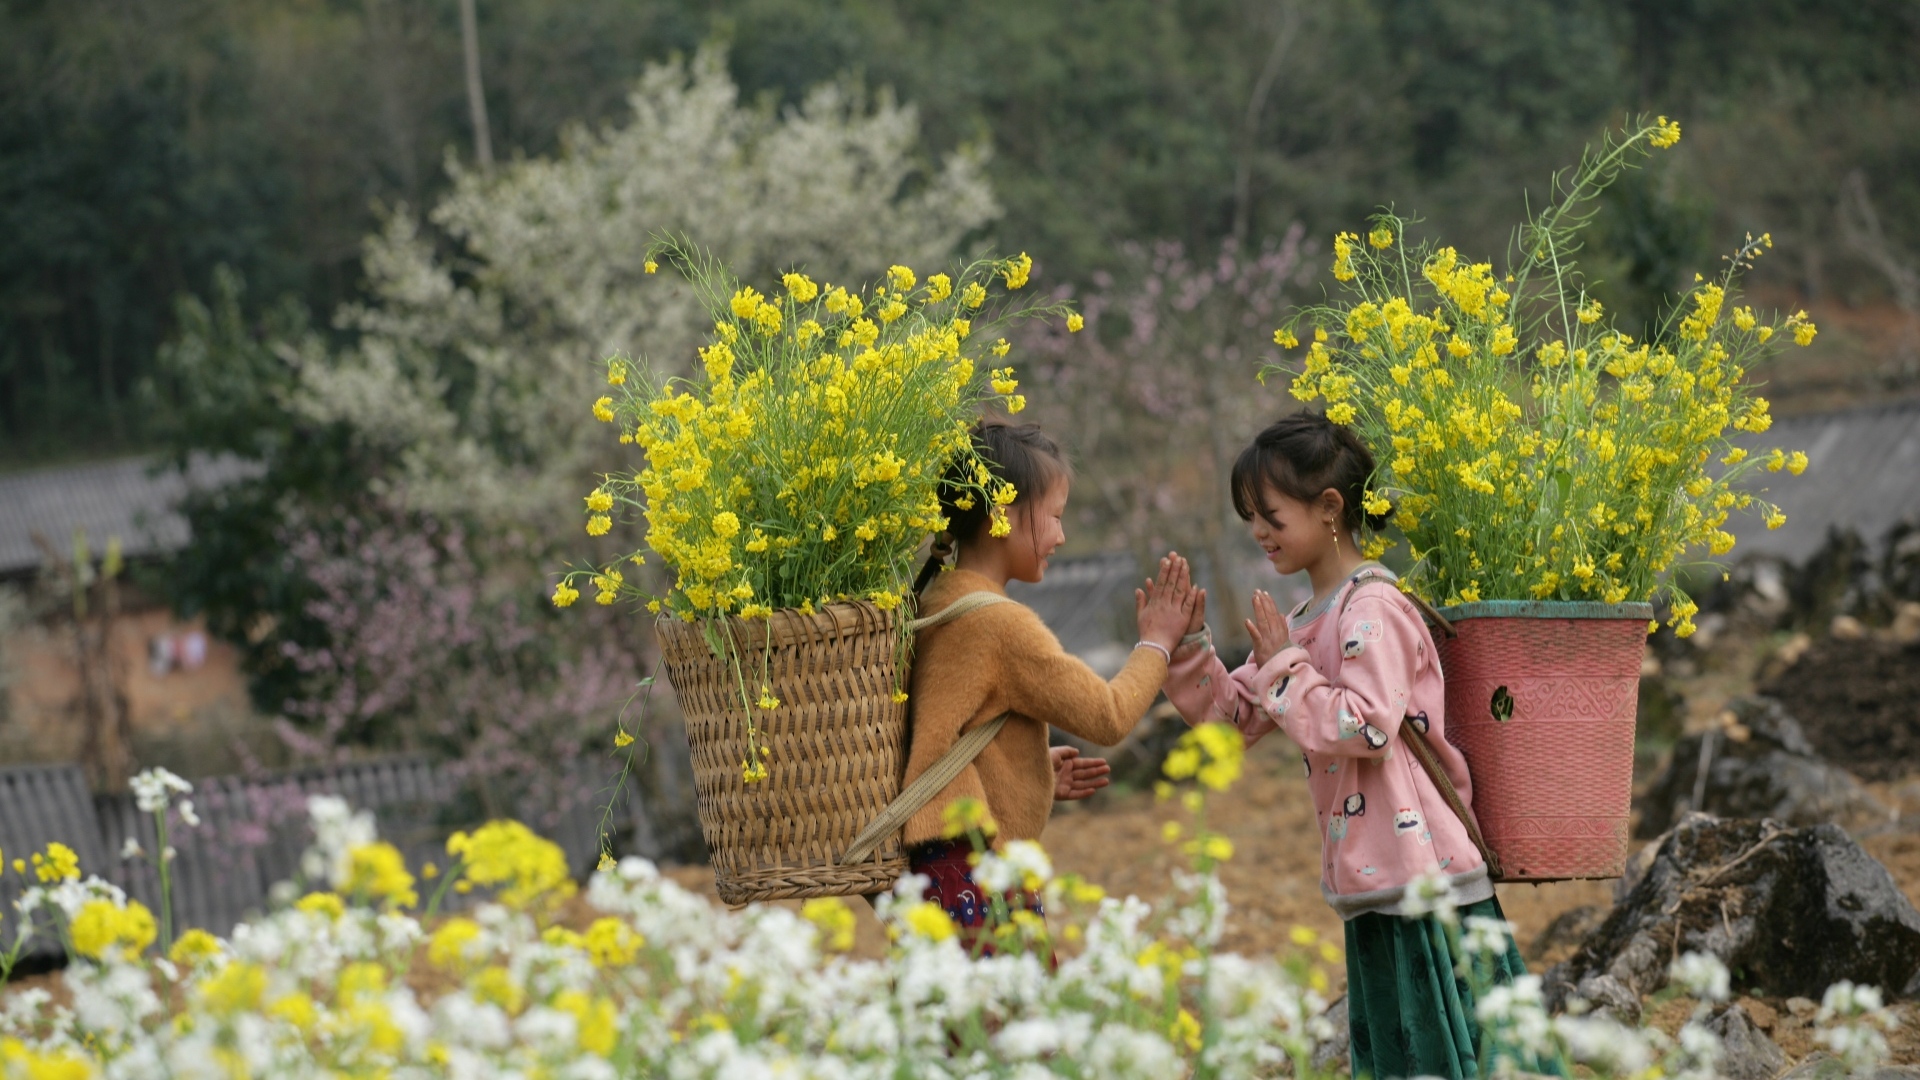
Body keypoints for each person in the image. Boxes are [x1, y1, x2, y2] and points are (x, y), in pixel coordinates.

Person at [1163, 410, 1549, 1080]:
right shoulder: (1305, 622)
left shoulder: (1370, 609)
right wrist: (1187, 649)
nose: (1258, 532)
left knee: (1460, 1053)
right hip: (1372, 875)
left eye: (1271, 515)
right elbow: (1234, 724)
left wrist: (1285, 665)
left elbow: (1366, 725)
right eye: (1250, 516)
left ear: (1330, 507)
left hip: (1426, 875)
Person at [905, 417, 1198, 952]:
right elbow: (1108, 716)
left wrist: (1029, 774)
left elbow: (949, 737)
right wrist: (1157, 643)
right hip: (979, 873)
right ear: (1001, 517)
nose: (1061, 537)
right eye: (1055, 518)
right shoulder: (1000, 624)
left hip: (937, 870)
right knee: (1011, 1030)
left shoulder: (937, 601)